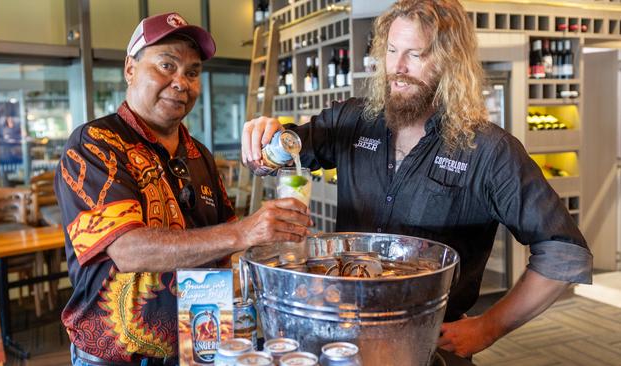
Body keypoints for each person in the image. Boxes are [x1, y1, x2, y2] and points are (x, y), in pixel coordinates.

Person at [242, 0, 592, 358]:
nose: (398, 67)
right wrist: (266, 142)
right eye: (392, 50)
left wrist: (488, 327)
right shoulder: (353, 120)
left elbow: (565, 254)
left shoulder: (489, 150)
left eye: (416, 54)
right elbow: (285, 152)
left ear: (449, 61)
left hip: (428, 348)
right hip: (340, 342)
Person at [55, 12, 310, 365]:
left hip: (199, 347)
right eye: (166, 65)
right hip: (117, 357)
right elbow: (127, 250)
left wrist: (281, 256)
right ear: (130, 68)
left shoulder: (199, 155)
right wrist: (243, 232)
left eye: (192, 72)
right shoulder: (96, 145)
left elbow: (229, 250)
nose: (181, 82)